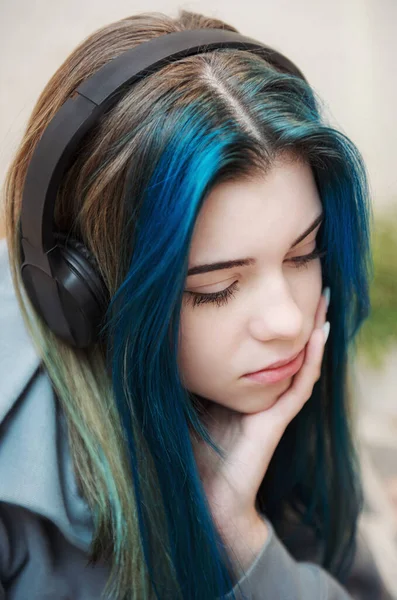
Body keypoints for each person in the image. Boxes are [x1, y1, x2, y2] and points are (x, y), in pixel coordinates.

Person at [0, 9, 392, 600]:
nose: (288, 321)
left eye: (304, 253)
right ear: (80, 293)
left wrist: (242, 536)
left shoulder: (282, 388)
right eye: (216, 288)